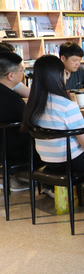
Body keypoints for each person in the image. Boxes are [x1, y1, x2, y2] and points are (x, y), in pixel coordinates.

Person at [21, 55, 84, 173]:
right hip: (74, 162)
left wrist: (81, 131)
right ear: (57, 75)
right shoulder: (67, 106)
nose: (67, 77)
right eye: (65, 73)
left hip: (49, 162)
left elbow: (55, 128)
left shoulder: (34, 105)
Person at [0, 45, 30, 191]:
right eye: (21, 70)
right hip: (14, 152)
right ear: (11, 75)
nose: (23, 74)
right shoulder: (13, 100)